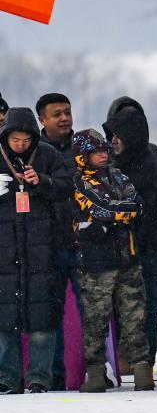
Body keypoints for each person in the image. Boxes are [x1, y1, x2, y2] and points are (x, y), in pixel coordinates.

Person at [71, 129, 154, 393]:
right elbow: (99, 209)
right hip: (96, 264)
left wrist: (115, 212)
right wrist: (118, 212)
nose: (103, 155)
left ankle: (143, 372)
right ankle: (95, 374)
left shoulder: (119, 176)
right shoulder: (79, 182)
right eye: (96, 152)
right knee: (95, 320)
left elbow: (137, 205)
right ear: (82, 156)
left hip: (127, 258)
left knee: (136, 317)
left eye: (105, 150)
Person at [0, 108, 73, 394]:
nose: (20, 145)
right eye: (15, 139)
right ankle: (7, 378)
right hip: (4, 248)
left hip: (42, 246)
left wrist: (42, 181)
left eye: (25, 139)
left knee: (42, 317)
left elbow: (67, 187)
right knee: (4, 318)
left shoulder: (48, 154)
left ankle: (40, 377)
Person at [103, 106, 157, 366]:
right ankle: (124, 359)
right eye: (112, 135)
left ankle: (144, 362)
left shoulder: (153, 165)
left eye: (120, 134)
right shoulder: (109, 166)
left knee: (147, 307)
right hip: (118, 249)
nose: (114, 141)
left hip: (149, 249)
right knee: (119, 306)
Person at [36, 92, 77, 390]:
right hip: (46, 246)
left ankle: (91, 369)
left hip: (81, 243)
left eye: (67, 112)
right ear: (42, 119)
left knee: (89, 310)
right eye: (56, 114)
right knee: (51, 311)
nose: (64, 118)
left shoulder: (85, 148)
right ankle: (54, 373)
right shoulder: (33, 152)